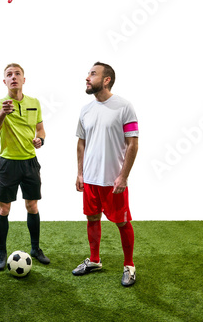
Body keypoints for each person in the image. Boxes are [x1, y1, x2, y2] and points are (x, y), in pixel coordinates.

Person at [73, 62, 139, 287]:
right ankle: (94, 260)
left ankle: (129, 266)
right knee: (92, 218)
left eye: (93, 74)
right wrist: (80, 173)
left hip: (113, 181)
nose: (87, 78)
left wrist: (123, 176)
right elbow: (81, 144)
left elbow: (132, 144)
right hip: (90, 179)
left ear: (106, 79)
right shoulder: (86, 110)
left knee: (122, 221)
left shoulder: (124, 106)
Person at [0, 63, 50, 270]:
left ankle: (35, 248)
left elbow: (40, 129)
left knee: (32, 206)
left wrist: (40, 140)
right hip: (9, 163)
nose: (13, 77)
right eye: (9, 75)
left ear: (24, 79)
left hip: (30, 162)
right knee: (4, 209)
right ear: (4, 81)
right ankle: (1, 252)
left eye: (17, 74)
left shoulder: (35, 103)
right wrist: (4, 113)